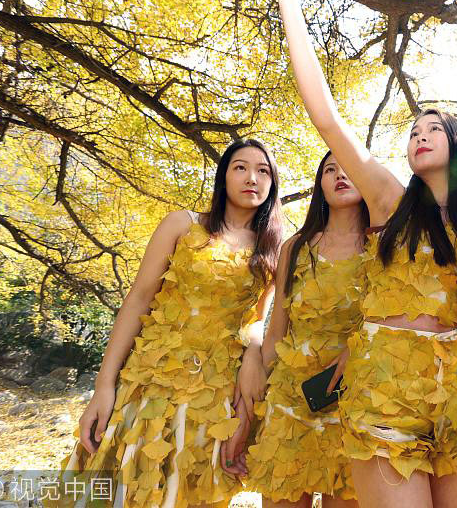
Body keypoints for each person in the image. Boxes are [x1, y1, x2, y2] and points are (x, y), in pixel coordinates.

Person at [275, 0, 457, 508]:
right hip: (380, 389)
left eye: (435, 128)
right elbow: (325, 116)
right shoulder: (391, 202)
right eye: (412, 131)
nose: (421, 135)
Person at [48, 139, 283, 507]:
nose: (252, 177)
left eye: (263, 170)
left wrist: (253, 354)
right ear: (223, 177)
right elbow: (139, 299)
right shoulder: (182, 224)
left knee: (187, 491)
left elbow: (256, 320)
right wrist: (104, 384)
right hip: (151, 382)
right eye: (240, 167)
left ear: (272, 184)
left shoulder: (273, 250)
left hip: (215, 391)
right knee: (123, 486)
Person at [222, 151, 367, 508]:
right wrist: (248, 418)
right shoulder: (296, 247)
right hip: (289, 401)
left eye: (349, 168)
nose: (339, 175)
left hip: (354, 401)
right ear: (321, 183)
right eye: (330, 170)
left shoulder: (382, 247)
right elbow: (276, 335)